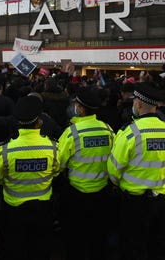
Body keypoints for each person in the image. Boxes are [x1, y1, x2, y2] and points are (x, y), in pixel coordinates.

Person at [107, 82, 165, 260]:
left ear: (138, 104)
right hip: (162, 201)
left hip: (135, 203)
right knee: (158, 247)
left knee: (134, 247)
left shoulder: (130, 133)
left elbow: (114, 169)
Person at [0, 96, 60, 260]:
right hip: (43, 207)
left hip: (14, 209)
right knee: (40, 249)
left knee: (14, 249)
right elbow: (56, 172)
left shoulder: (4, 150)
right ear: (40, 121)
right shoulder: (53, 147)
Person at [58, 87, 114, 260]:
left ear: (80, 108)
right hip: (103, 193)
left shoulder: (71, 133)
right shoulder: (108, 130)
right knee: (99, 238)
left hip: (77, 195)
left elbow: (58, 164)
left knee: (76, 240)